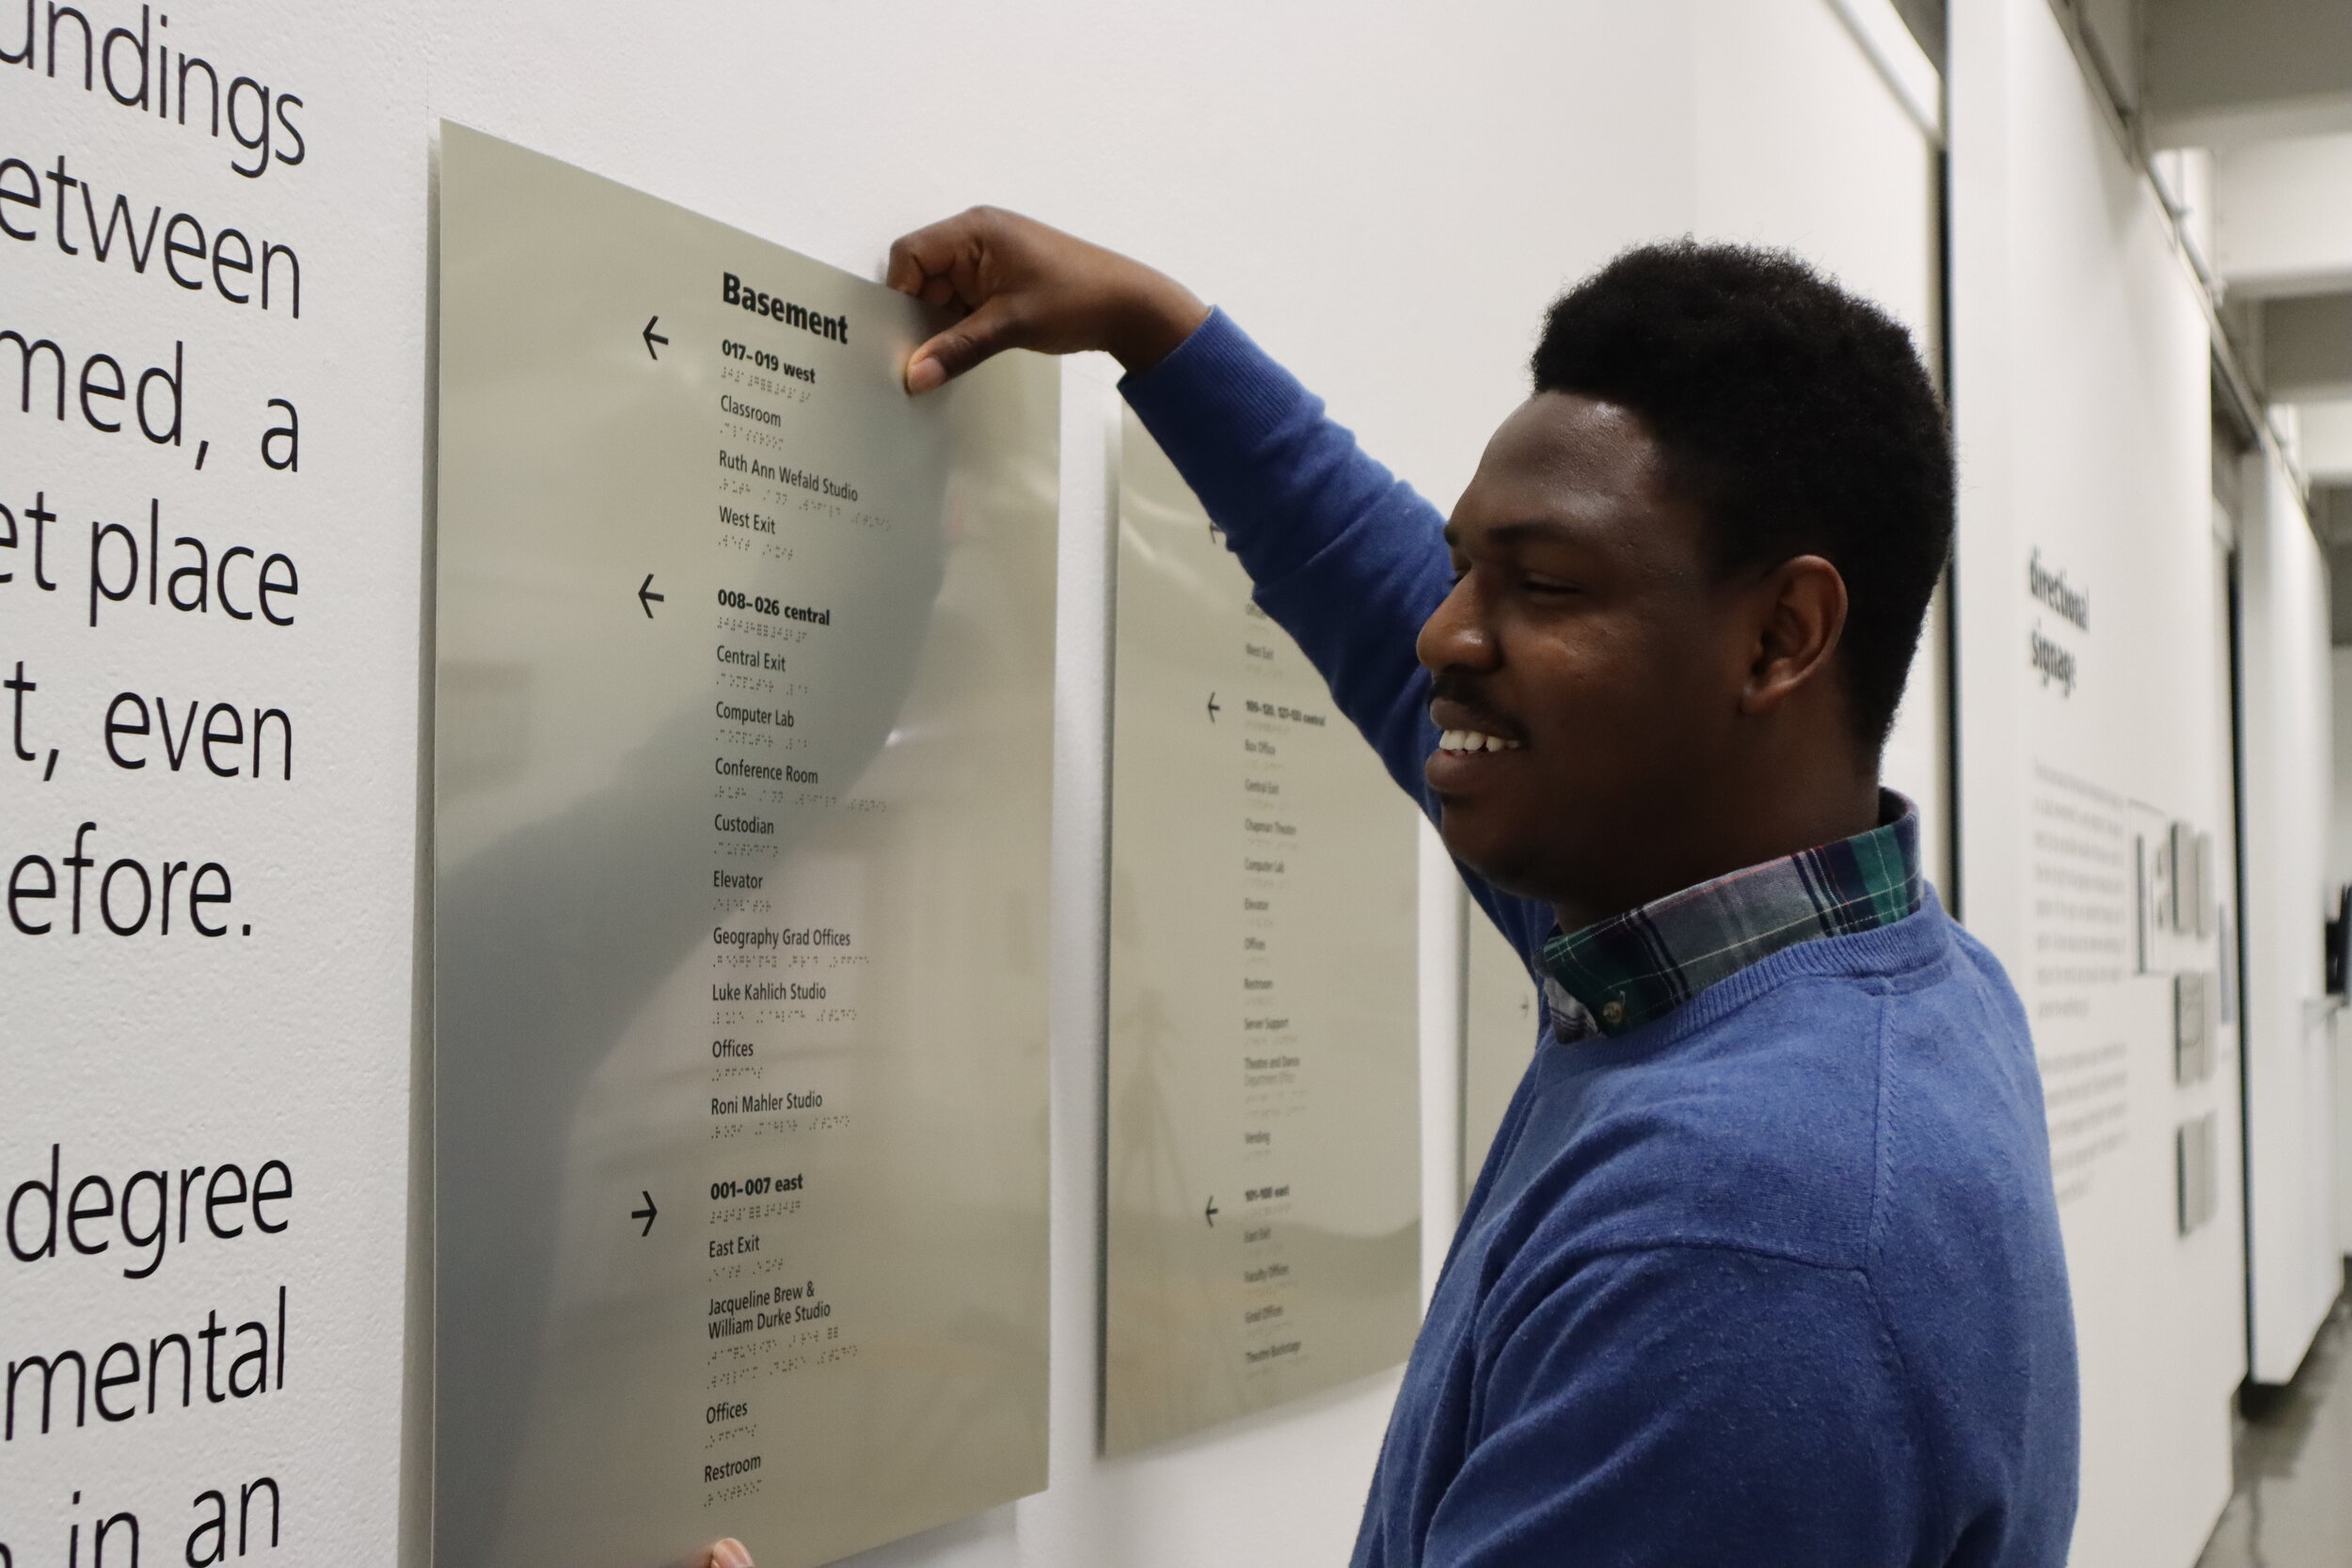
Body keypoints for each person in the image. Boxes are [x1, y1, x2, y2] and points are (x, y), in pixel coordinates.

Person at [730, 210, 2081, 1567]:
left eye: (1542, 583)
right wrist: (1156, 330)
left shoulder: (1747, 1238)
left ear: (1782, 637)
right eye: (1462, 569)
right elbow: (1389, 629)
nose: (1448, 630)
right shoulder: (1846, 973)